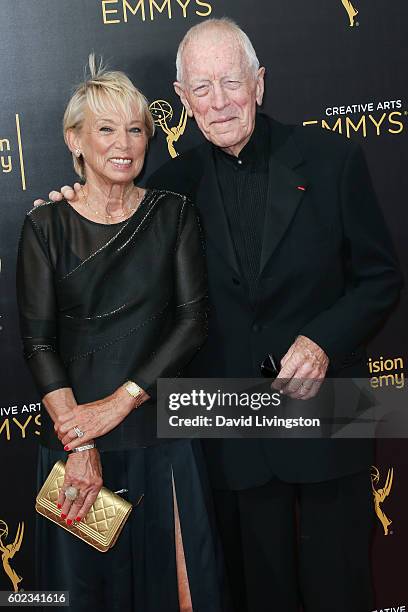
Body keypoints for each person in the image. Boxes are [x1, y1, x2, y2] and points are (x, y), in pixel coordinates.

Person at [36, 19, 403, 612]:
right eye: (200, 89)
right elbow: (105, 279)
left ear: (259, 84)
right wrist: (66, 212)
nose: (219, 102)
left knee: (343, 588)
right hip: (229, 430)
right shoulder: (168, 191)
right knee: (260, 594)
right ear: (181, 100)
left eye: (231, 82)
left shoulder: (334, 159)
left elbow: (381, 277)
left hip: (333, 414)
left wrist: (323, 340)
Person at [18, 56, 226, 612]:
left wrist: (116, 405)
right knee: (87, 597)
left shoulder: (173, 213)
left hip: (163, 439)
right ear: (75, 141)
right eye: (105, 128)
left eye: (135, 129)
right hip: (78, 451)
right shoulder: (45, 225)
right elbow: (38, 344)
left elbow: (192, 322)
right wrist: (81, 440)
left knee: (186, 595)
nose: (124, 142)